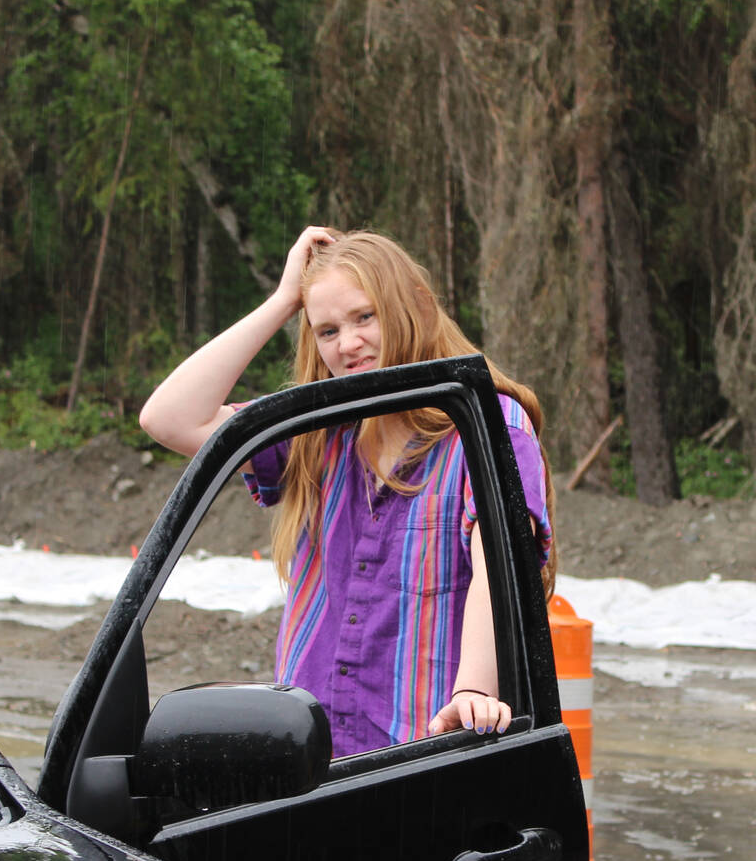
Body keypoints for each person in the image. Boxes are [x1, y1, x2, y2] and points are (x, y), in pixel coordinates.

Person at [138, 226, 555, 758]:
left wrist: (473, 688)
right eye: (327, 330)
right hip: (309, 764)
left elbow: (500, 567)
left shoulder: (486, 423)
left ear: (413, 308)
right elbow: (168, 418)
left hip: (420, 757)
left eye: (365, 317)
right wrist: (283, 301)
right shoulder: (316, 434)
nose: (349, 343)